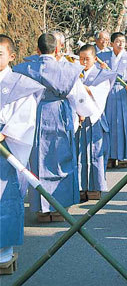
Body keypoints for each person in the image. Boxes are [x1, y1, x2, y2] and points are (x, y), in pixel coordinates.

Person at [14, 33, 98, 222]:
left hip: (36, 114)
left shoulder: (26, 68)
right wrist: (83, 112)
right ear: (57, 49)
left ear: (37, 50)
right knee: (62, 159)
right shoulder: (68, 69)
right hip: (60, 113)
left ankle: (41, 209)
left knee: (38, 160)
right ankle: (60, 208)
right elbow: (78, 94)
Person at [0, 35, 45, 272]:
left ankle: (3, 251)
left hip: (6, 145)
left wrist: (6, 133)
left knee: (5, 196)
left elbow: (26, 117)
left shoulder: (21, 84)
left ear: (11, 56)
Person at [76, 44, 117, 202]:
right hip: (79, 119)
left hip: (94, 118)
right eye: (81, 59)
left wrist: (83, 88)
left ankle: (96, 187)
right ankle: (81, 187)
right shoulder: (76, 74)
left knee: (95, 153)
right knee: (79, 153)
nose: (84, 62)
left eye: (87, 59)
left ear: (94, 58)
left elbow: (100, 95)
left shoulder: (102, 75)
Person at [99, 32, 127, 169]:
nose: (120, 44)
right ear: (111, 43)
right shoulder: (102, 58)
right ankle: (109, 155)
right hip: (107, 93)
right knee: (108, 124)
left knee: (125, 124)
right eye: (117, 41)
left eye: (123, 41)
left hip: (125, 93)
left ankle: (123, 156)